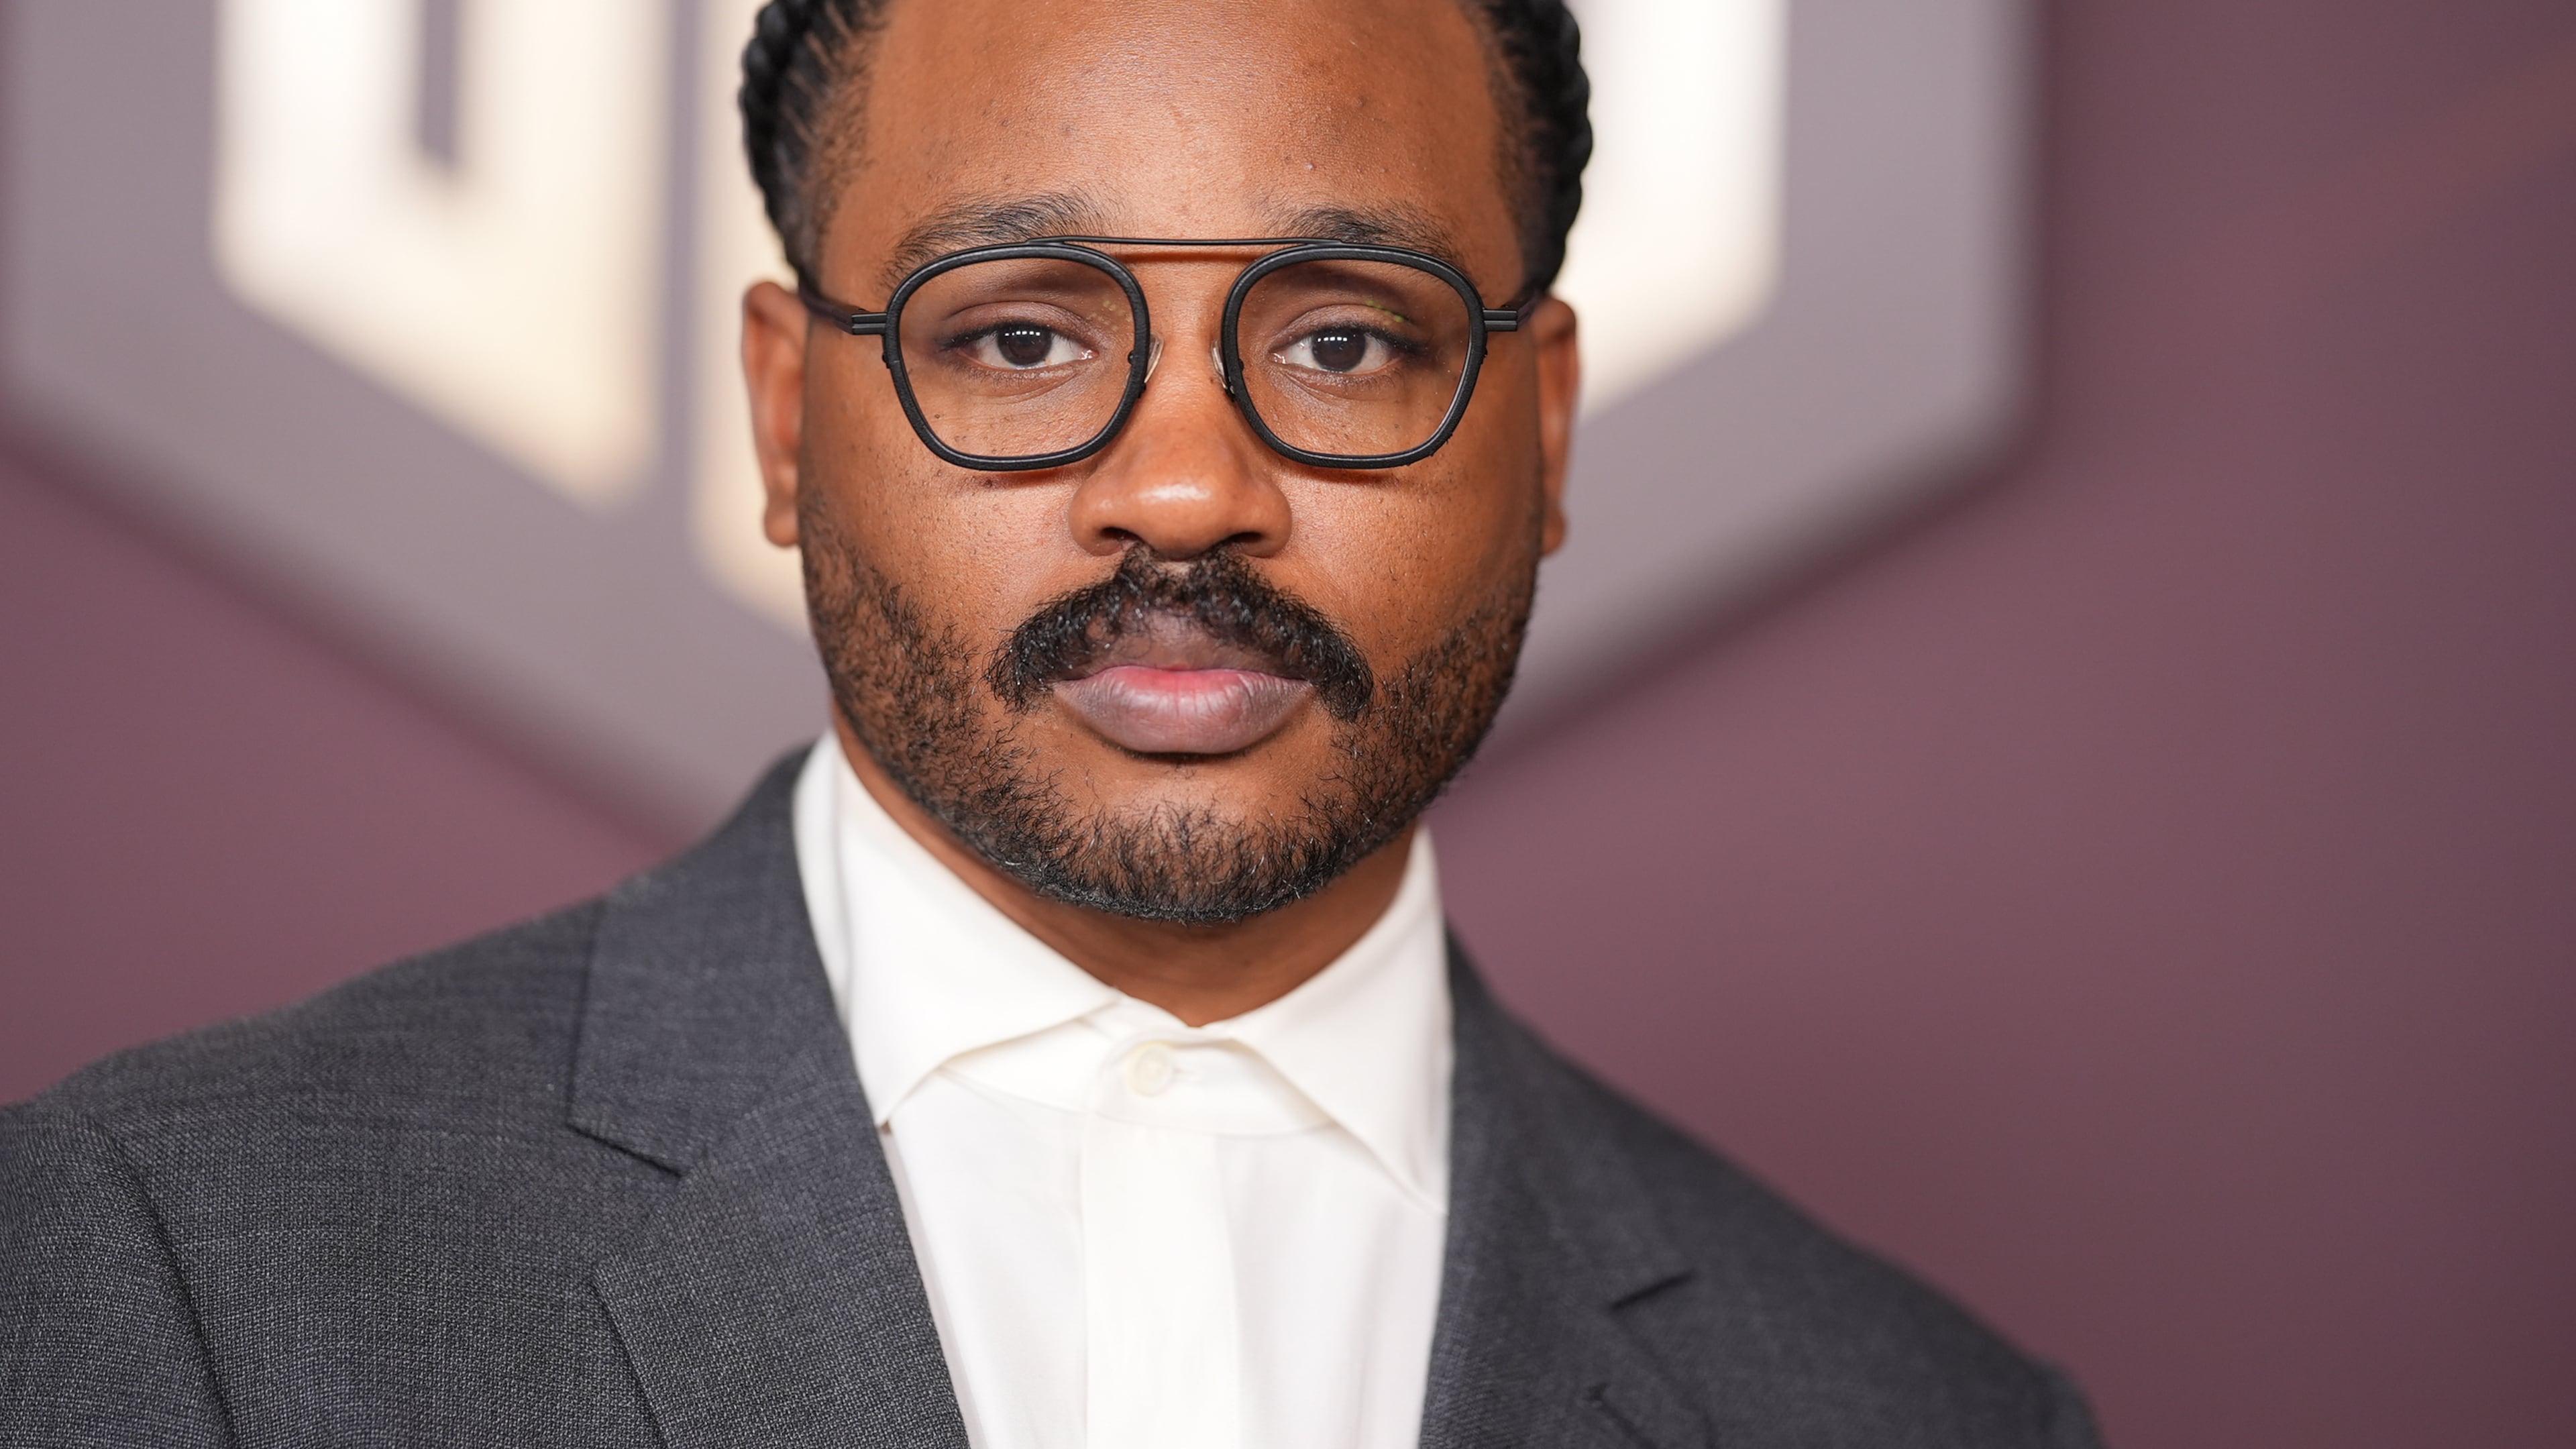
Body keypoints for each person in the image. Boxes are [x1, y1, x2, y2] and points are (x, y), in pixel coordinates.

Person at [0, 0, 2103, 1444]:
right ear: (783, 416)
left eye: (1348, 342)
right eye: (1015, 336)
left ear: (1543, 428)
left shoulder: (1914, 1413)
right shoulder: (166, 1269)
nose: (1184, 489)